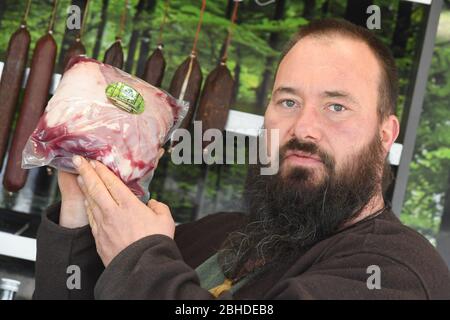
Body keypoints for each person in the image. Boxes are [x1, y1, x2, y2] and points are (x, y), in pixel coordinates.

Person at [33, 18, 450, 300]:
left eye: (336, 107)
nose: (303, 128)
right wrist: (80, 207)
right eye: (288, 101)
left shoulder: (396, 272)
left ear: (386, 134)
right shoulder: (217, 236)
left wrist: (140, 256)